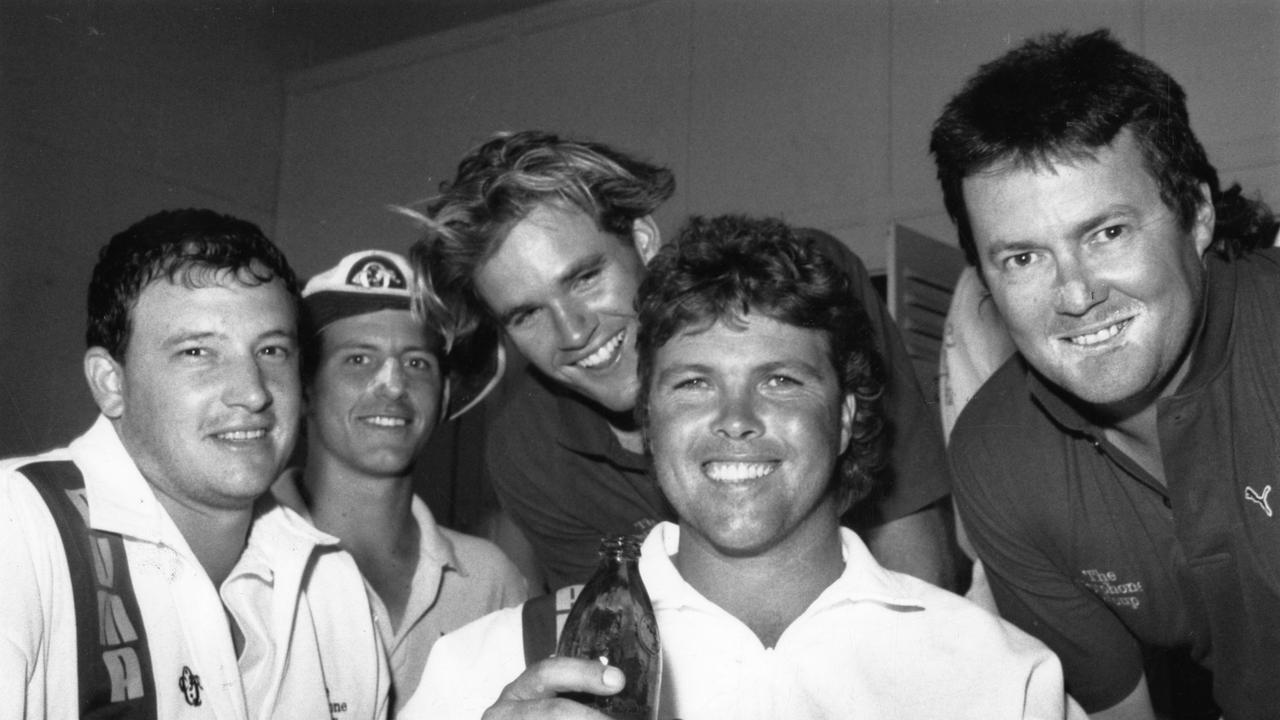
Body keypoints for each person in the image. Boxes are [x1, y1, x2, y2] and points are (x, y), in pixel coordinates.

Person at [402, 215, 1081, 719]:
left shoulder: (1002, 677)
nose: (735, 417)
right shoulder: (491, 667)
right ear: (650, 422)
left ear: (845, 417)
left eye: (782, 380)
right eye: (691, 384)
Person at [408, 130, 956, 591]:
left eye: (585, 278)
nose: (574, 331)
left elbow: (913, 557)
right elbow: (624, 636)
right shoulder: (529, 448)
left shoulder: (797, 285)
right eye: (526, 314)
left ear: (643, 240)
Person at [930, 29, 1280, 720]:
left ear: (1198, 215)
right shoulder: (997, 460)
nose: (1075, 294)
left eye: (1107, 233)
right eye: (1023, 258)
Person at [0, 209, 388, 718]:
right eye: (198, 351)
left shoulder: (333, 584)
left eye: (271, 349)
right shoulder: (19, 531)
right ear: (110, 382)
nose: (252, 392)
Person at [272, 249, 527, 715]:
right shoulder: (245, 556)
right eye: (357, 360)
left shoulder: (491, 581)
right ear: (304, 390)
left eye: (416, 363)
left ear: (445, 394)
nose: (391, 385)